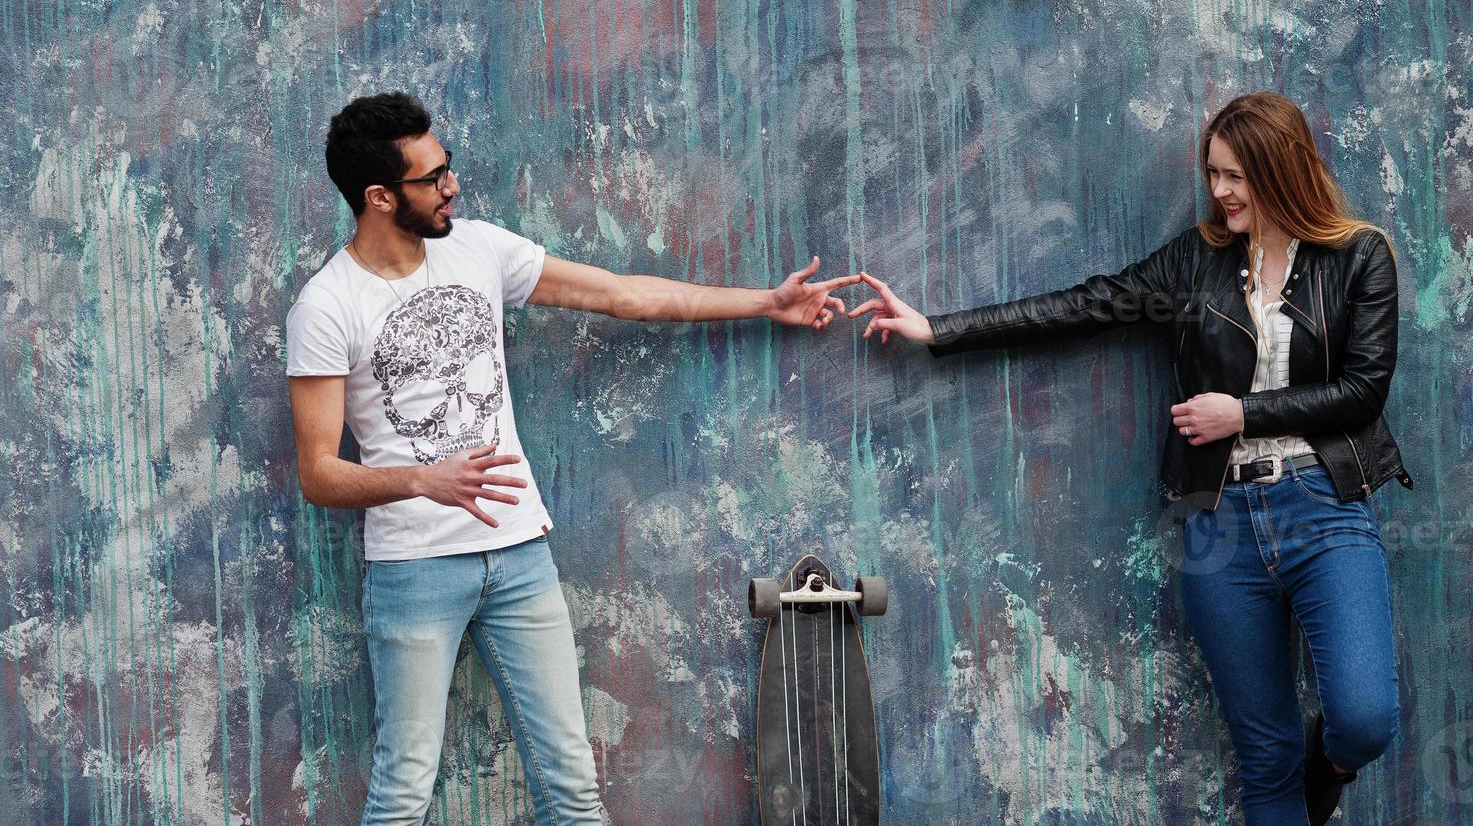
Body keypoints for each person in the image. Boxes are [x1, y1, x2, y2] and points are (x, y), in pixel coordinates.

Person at [285, 91, 857, 825]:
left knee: (573, 792)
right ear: (378, 197)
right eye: (432, 178)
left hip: (520, 558)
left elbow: (623, 296)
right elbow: (318, 473)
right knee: (403, 793)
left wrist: (764, 302)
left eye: (447, 167)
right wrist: (422, 479)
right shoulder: (328, 306)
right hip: (415, 571)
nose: (452, 185)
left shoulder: (478, 248)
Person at [848, 90, 1414, 825]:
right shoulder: (1196, 263)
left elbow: (1363, 390)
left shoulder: (1357, 256)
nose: (1218, 191)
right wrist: (938, 328)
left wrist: (1241, 412)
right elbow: (1088, 305)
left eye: (1235, 175)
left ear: (1281, 168)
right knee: (1262, 759)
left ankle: (1327, 766)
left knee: (1364, 718)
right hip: (1220, 527)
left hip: (1325, 510)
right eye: (1212, 173)